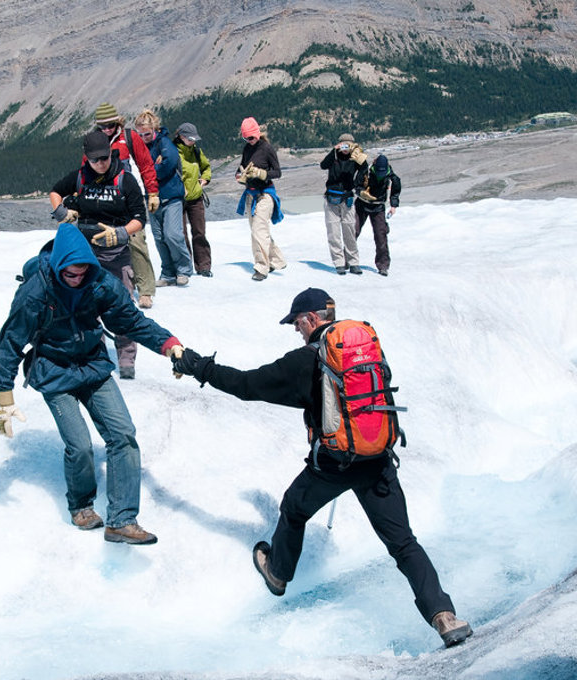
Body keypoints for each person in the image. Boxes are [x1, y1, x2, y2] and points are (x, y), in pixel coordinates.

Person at [170, 288, 473, 648]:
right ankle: (444, 616)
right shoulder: (363, 348)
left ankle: (278, 573)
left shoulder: (305, 361)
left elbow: (247, 385)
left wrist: (197, 366)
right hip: (376, 458)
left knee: (294, 507)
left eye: (297, 323)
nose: (296, 330)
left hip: (333, 464)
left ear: (312, 318)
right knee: (403, 542)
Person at [0, 222, 186, 545]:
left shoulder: (100, 283)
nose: (78, 278)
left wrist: (169, 344)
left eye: (83, 272)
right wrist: (2, 395)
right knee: (79, 445)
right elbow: (11, 341)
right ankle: (81, 505)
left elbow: (131, 321)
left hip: (92, 364)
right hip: (53, 370)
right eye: (71, 274)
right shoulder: (36, 291)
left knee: (123, 434)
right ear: (59, 266)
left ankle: (122, 520)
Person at [50, 130, 148, 379]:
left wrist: (123, 233)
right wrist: (62, 213)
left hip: (116, 253)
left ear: (110, 153)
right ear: (87, 158)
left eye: (104, 158)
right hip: (87, 253)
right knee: (87, 306)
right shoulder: (81, 177)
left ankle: (126, 358)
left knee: (122, 305)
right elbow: (55, 192)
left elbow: (140, 217)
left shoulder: (125, 180)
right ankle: (96, 353)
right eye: (95, 160)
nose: (100, 163)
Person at [92, 102, 159, 308]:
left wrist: (153, 192)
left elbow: (146, 164)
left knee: (136, 241)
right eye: (102, 126)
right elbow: (87, 168)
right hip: (106, 199)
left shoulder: (129, 137)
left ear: (117, 122)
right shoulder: (94, 141)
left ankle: (146, 290)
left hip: (131, 198)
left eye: (110, 125)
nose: (106, 129)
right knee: (109, 245)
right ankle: (118, 287)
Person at [134, 109, 192, 287]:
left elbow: (169, 164)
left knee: (172, 234)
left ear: (154, 129)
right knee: (159, 237)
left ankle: (183, 269)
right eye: (140, 134)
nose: (144, 137)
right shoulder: (140, 146)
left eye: (147, 133)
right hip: (150, 197)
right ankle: (168, 272)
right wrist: (151, 167)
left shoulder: (164, 143)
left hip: (170, 196)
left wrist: (149, 171)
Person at [234, 117, 285, 281]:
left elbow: (277, 172)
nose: (249, 141)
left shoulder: (267, 148)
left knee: (258, 230)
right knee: (258, 231)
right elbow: (242, 165)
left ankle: (261, 267)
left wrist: (262, 174)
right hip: (250, 193)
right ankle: (276, 259)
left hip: (266, 193)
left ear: (257, 133)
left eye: (251, 137)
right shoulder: (247, 149)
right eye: (245, 138)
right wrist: (239, 174)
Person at [320, 133, 369, 275]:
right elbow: (323, 165)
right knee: (334, 233)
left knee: (349, 232)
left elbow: (364, 170)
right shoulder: (334, 157)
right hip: (331, 199)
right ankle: (339, 263)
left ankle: (354, 262)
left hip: (347, 199)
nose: (345, 148)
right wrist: (333, 151)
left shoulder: (355, 158)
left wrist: (360, 158)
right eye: (343, 145)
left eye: (348, 145)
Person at [174, 122, 213, 277]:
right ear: (181, 137)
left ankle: (204, 266)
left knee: (199, 232)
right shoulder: (172, 152)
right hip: (178, 199)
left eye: (194, 139)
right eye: (190, 139)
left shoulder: (196, 151)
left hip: (196, 198)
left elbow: (206, 167)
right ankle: (185, 266)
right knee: (181, 235)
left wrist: (205, 179)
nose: (193, 142)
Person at [354, 154, 401, 277]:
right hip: (362, 205)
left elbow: (395, 190)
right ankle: (348, 261)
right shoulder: (366, 171)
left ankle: (383, 266)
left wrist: (393, 206)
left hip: (378, 207)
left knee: (381, 236)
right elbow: (356, 185)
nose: (381, 174)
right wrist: (362, 193)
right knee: (353, 231)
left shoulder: (391, 176)